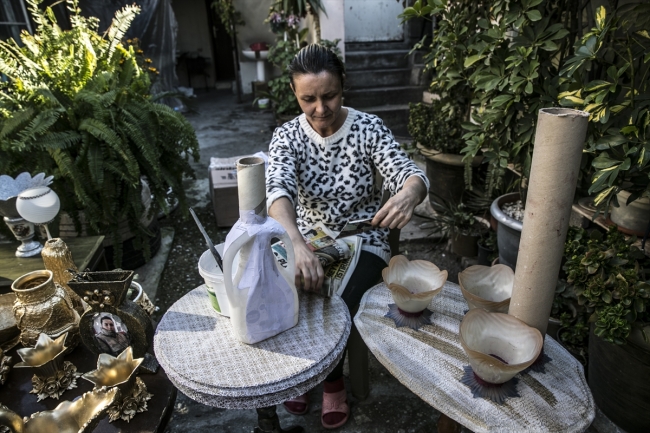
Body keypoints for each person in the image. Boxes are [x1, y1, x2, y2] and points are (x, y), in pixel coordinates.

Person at [266, 43, 428, 429]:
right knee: (273, 280)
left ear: (343, 86)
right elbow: (277, 191)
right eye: (308, 99)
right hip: (304, 235)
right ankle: (300, 368)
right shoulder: (286, 136)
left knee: (338, 297)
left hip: (363, 237)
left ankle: (330, 378)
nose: (321, 109)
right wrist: (296, 243)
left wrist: (409, 194)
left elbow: (409, 173)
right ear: (294, 92)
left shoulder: (368, 128)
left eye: (330, 95)